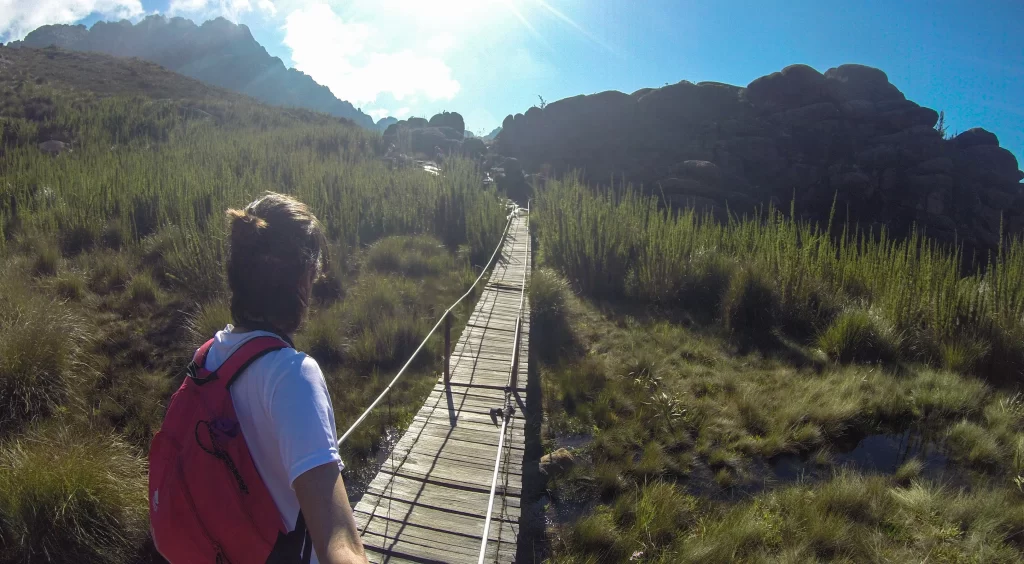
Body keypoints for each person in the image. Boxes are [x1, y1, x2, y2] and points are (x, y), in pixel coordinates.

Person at [210, 193, 366, 563]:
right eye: (313, 275)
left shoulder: (210, 355)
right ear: (301, 280)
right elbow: (338, 542)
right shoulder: (293, 376)